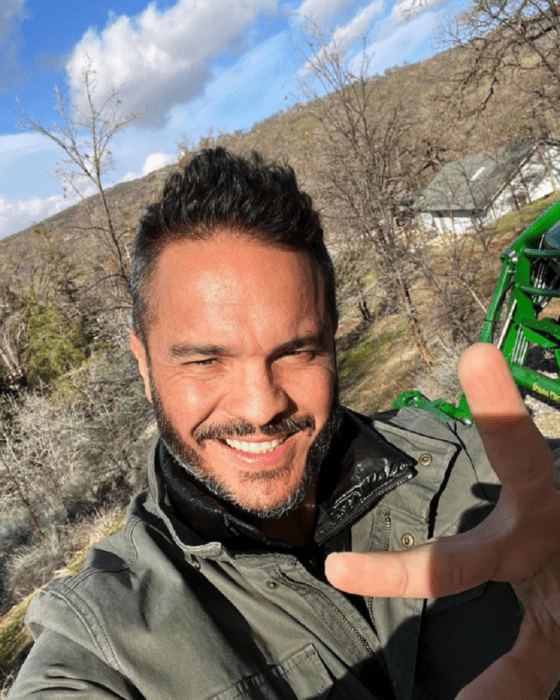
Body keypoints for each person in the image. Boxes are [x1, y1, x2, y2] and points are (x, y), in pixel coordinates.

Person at [7, 147, 560, 700]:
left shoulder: (476, 470)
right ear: (144, 365)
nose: (260, 407)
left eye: (296, 352)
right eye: (204, 360)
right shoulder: (102, 641)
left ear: (332, 340)